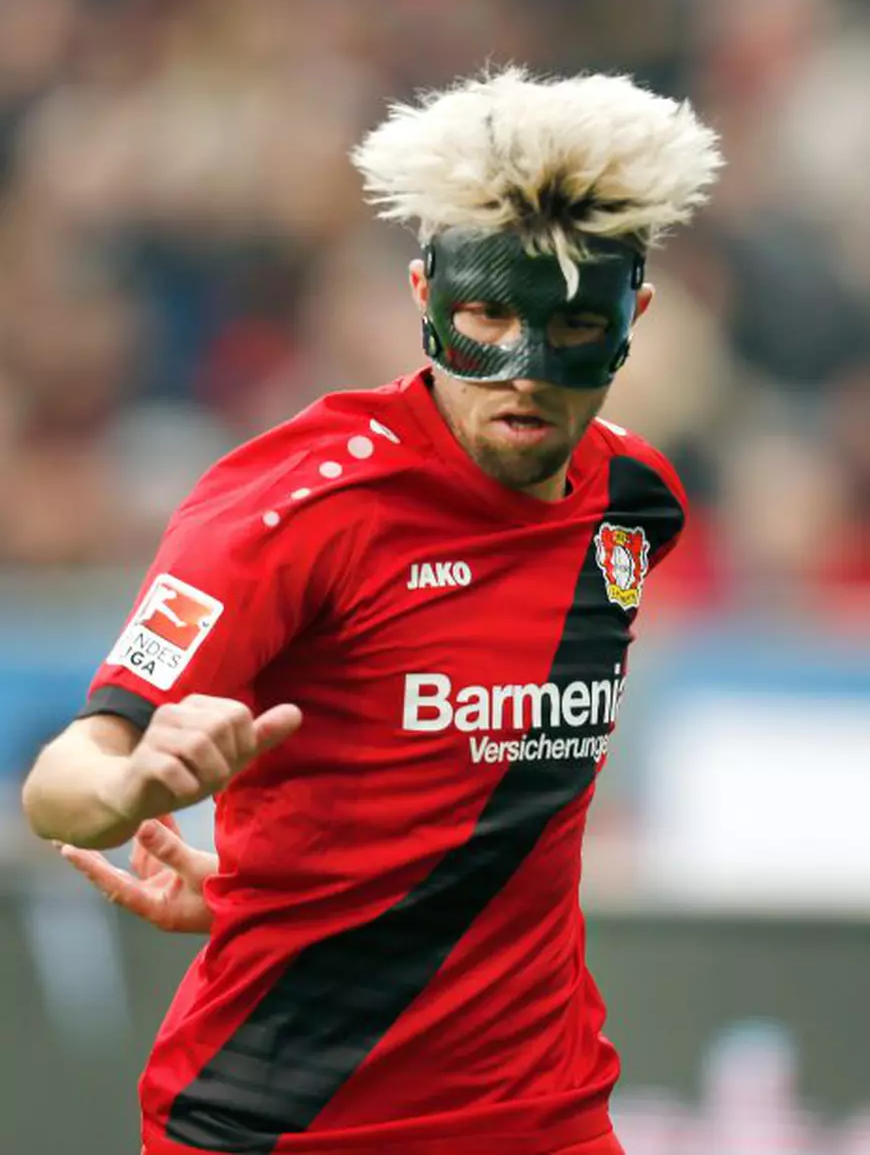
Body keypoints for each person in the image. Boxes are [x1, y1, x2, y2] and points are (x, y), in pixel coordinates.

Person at [22, 66, 722, 1155]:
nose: (524, 376)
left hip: (543, 1117)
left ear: (634, 317)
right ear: (423, 297)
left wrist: (322, 889)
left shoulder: (637, 506)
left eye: (575, 327)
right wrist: (127, 785)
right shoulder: (293, 512)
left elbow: (473, 796)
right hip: (280, 1120)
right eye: (487, 315)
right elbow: (58, 785)